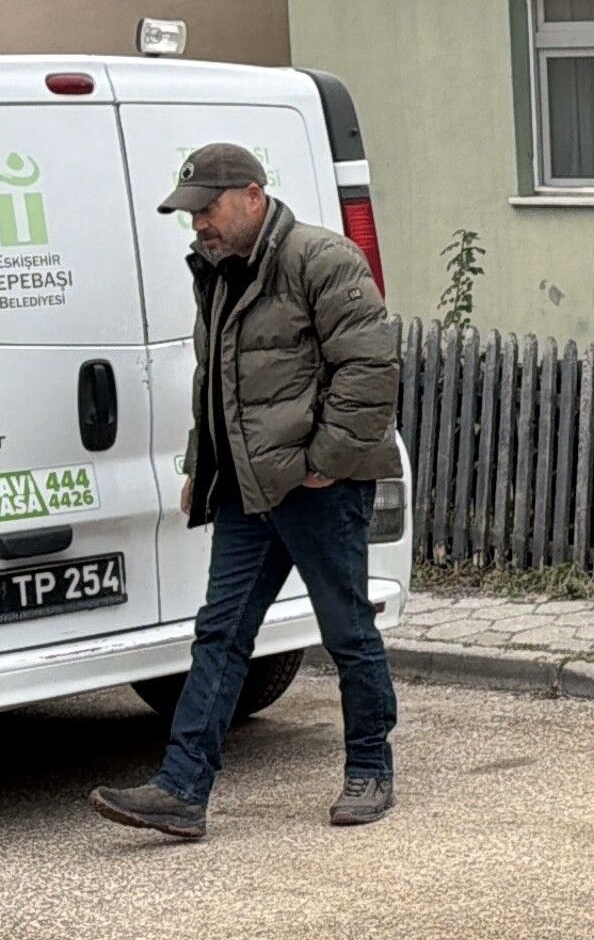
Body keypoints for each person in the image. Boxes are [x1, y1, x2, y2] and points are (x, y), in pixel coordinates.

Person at [92, 143, 404, 839]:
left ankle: (369, 769)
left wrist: (327, 459)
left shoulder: (321, 260)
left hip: (318, 485)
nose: (198, 223)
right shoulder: (218, 272)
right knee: (221, 635)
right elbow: (217, 386)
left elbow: (371, 367)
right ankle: (181, 790)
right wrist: (201, 470)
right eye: (191, 212)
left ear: (253, 196)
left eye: (207, 208)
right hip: (247, 488)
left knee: (347, 630)